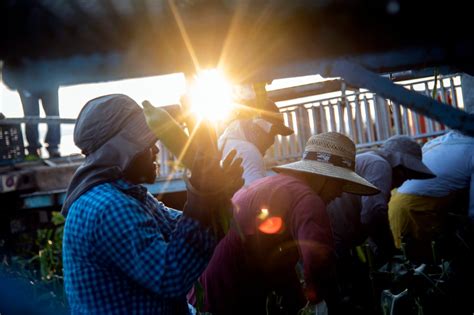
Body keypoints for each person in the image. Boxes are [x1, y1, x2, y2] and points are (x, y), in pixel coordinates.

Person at [61, 94, 243, 315]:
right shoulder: (110, 207)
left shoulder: (127, 195)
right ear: (120, 152)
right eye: (146, 144)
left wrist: (216, 197)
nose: (156, 149)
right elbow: (170, 276)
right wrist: (202, 197)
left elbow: (177, 227)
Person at [193, 132, 379, 315]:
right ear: (324, 177)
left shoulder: (276, 185)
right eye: (339, 184)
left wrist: (296, 297)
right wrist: (328, 302)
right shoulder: (307, 199)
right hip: (230, 289)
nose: (340, 193)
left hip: (209, 285)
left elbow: (275, 257)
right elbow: (318, 261)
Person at [326, 135, 435, 264]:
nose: (405, 181)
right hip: (330, 237)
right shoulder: (379, 165)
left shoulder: (370, 160)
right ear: (399, 166)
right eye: (407, 175)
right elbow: (373, 214)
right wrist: (389, 252)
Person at [388, 130, 474, 259]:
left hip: (394, 204)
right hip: (416, 211)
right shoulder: (471, 149)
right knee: (427, 266)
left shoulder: (439, 141)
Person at [218, 99, 294, 186]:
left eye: (274, 134)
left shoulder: (224, 142)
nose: (272, 141)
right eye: (269, 132)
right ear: (253, 128)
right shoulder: (248, 152)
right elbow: (257, 194)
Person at [19, 88, 61, 158]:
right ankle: (33, 149)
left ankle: (53, 148)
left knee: (53, 116)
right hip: (26, 83)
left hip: (49, 82)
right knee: (30, 117)